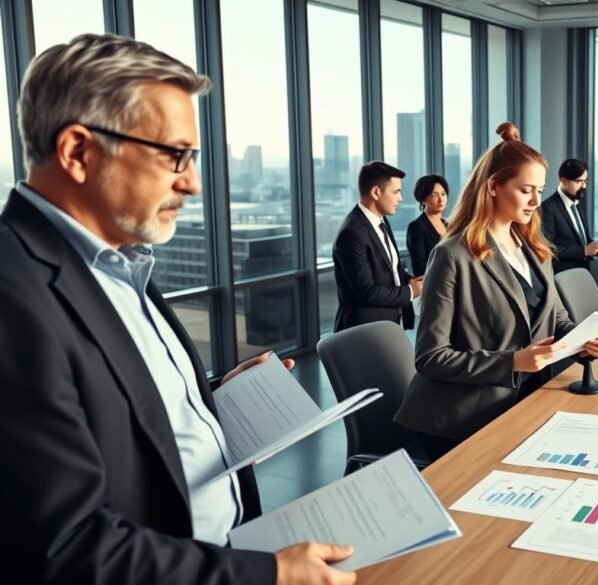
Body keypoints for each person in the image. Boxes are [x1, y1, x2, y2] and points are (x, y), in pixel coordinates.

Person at [0, 34, 355, 584]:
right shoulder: (12, 291)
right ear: (78, 151)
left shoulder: (120, 262)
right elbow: (64, 548)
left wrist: (208, 405)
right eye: (175, 155)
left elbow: (114, 412)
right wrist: (268, 576)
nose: (191, 181)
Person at [394, 123, 598, 460]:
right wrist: (513, 361)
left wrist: (583, 342)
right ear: (494, 186)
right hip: (463, 418)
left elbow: (554, 318)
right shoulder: (452, 254)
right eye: (526, 190)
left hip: (526, 399)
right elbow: (430, 358)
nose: (536, 201)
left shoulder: (534, 247)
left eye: (540, 190)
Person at [333, 161, 422, 331]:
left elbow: (390, 268)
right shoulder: (351, 233)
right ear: (375, 192)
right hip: (364, 334)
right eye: (396, 192)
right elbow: (367, 292)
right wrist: (411, 291)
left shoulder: (381, 221)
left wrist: (410, 280)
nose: (400, 198)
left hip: (388, 327)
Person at [540, 158, 598, 273]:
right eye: (579, 181)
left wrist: (594, 249)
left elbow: (582, 239)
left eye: (585, 181)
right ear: (564, 181)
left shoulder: (578, 201)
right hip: (562, 278)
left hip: (583, 273)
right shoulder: (547, 208)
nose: (584, 186)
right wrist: (584, 251)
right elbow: (547, 249)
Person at [406, 174, 449, 277]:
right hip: (433, 284)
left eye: (443, 194)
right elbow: (419, 268)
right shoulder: (416, 227)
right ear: (423, 199)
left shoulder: (448, 224)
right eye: (434, 195)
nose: (441, 199)